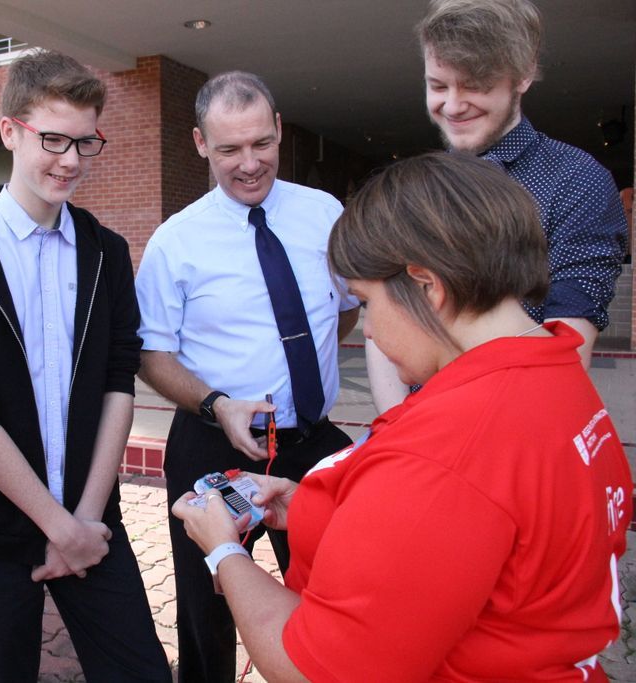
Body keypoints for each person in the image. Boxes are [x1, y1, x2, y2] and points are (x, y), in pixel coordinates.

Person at [173, 151, 633, 682]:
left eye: (366, 301)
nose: (365, 330)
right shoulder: (554, 367)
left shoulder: (450, 450)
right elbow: (465, 541)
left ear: (425, 286)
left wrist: (225, 551)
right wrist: (307, 508)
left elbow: (315, 669)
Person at [0, 49, 170, 682]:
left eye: (86, 143)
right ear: (9, 132)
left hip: (89, 516)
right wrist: (55, 524)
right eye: (53, 139)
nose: (71, 161)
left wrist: (83, 521)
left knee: (140, 670)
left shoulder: (107, 253)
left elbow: (118, 377)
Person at [135, 71, 360, 682]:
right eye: (229, 149)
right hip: (211, 445)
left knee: (332, 595)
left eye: (261, 143)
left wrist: (302, 380)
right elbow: (151, 355)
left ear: (280, 131)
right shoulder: (174, 242)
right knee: (206, 608)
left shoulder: (325, 214)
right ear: (200, 143)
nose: (249, 163)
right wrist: (216, 404)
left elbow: (342, 311)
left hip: (311, 444)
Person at [368, 0, 630, 412]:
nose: (452, 106)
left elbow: (567, 351)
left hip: (512, 427)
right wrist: (399, 428)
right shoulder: (421, 184)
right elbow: (387, 320)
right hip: (418, 432)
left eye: (475, 85)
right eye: (438, 86)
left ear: (523, 74)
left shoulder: (578, 179)